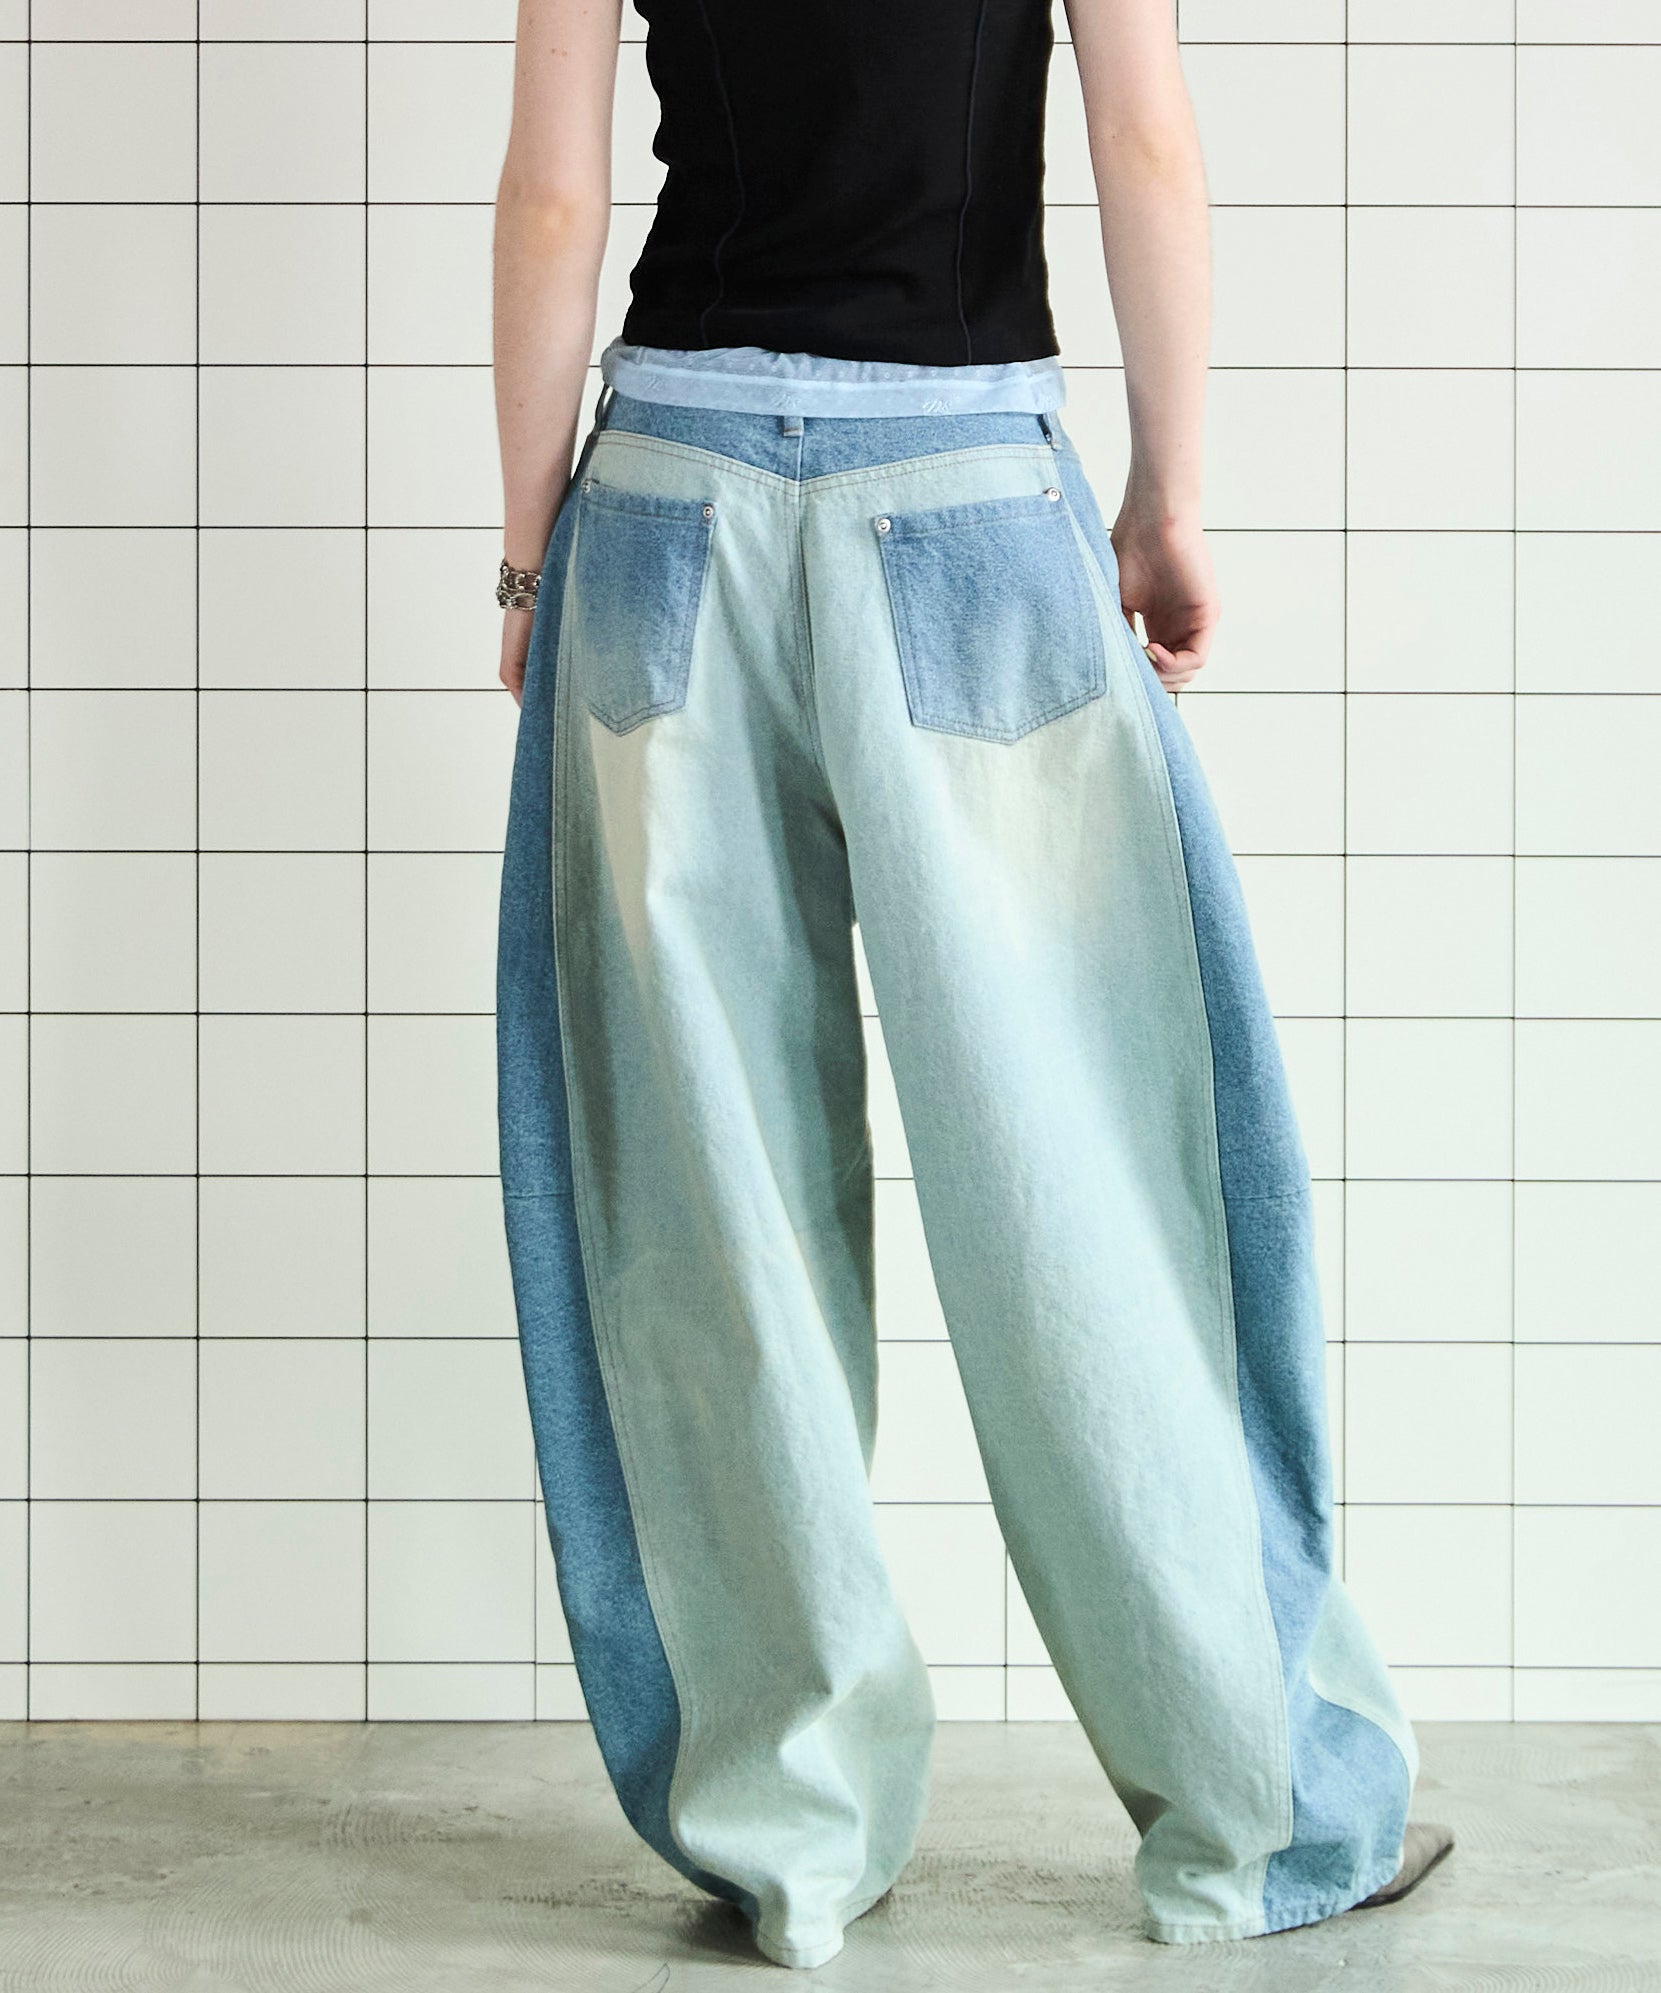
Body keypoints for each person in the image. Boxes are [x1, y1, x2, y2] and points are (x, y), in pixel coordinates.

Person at [491, 0, 1452, 1970]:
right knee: (1093, 1183)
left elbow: (555, 192)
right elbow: (1144, 137)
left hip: (665, 504)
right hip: (963, 495)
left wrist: (528, 552)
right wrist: (1168, 498)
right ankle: (1257, 1813)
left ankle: (792, 1838)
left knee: (705, 1210)